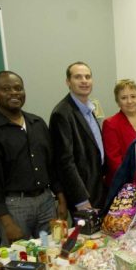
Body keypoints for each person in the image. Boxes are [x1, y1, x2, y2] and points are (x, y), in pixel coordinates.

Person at [0, 71, 67, 246]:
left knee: (52, 249)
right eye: (6, 89)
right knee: (21, 262)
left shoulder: (37, 123)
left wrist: (61, 198)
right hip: (14, 208)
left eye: (18, 88)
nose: (14, 93)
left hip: (46, 202)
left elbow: (51, 164)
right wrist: (6, 222)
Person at [49, 62, 106, 211]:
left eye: (87, 76)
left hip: (98, 188)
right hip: (83, 195)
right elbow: (65, 162)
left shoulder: (89, 109)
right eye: (78, 77)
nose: (84, 81)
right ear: (68, 82)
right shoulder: (62, 113)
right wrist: (81, 200)